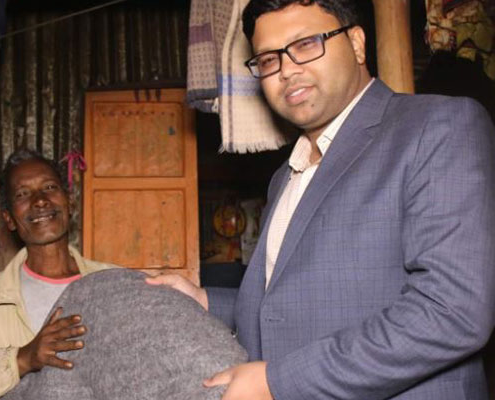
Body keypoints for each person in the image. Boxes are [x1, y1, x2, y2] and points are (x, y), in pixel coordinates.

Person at [147, 1, 495, 399]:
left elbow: (452, 310)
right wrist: (205, 300)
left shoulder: (436, 126)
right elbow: (294, 302)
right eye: (269, 59)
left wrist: (277, 383)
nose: (287, 70)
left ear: (357, 44)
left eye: (306, 44)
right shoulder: (286, 175)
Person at [0, 149, 117, 399]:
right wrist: (21, 359)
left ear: (69, 202)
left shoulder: (115, 284)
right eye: (23, 194)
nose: (40, 201)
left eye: (49, 187)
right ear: (9, 219)